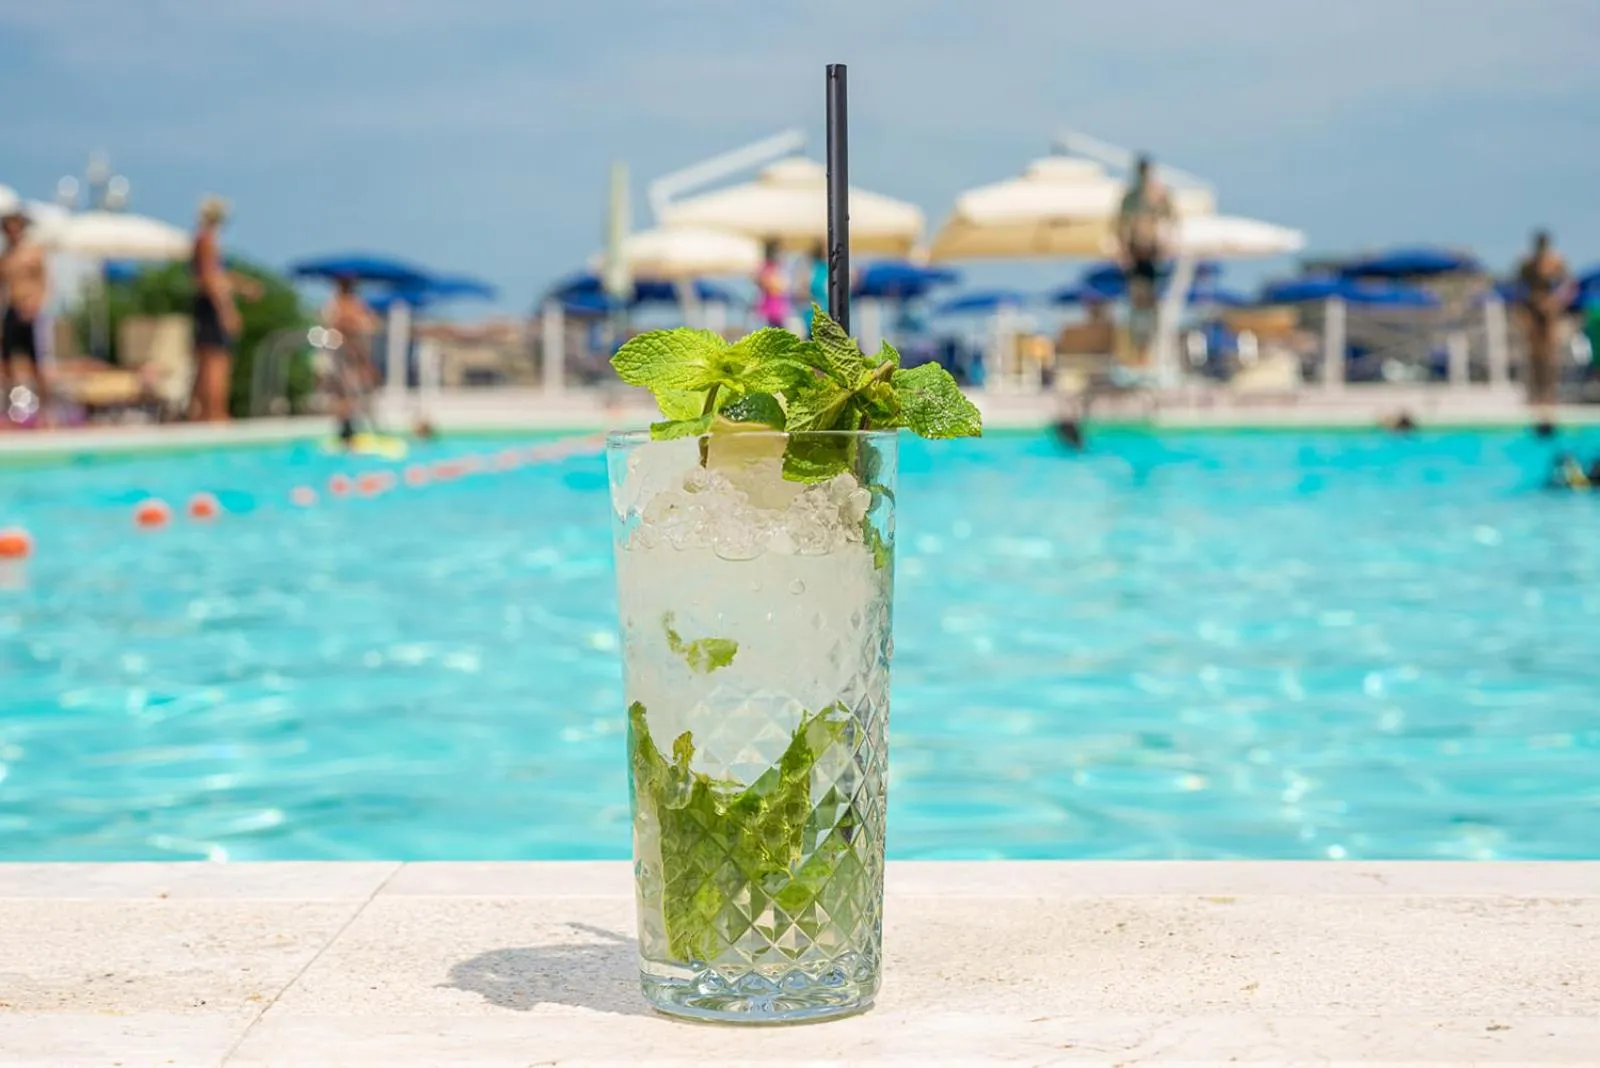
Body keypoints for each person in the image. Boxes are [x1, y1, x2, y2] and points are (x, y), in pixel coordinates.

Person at [188, 196, 261, 422]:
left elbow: (217, 276)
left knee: (207, 361)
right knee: (216, 362)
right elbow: (211, 281)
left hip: (206, 305)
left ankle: (204, 414)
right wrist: (227, 312)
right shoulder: (207, 240)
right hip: (210, 307)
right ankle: (215, 414)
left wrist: (243, 286)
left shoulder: (205, 240)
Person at [1116, 155, 1175, 365]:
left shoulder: (1156, 196)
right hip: (1139, 255)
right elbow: (1122, 226)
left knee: (1148, 303)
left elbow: (1170, 219)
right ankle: (1140, 353)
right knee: (1140, 302)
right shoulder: (1133, 198)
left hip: (1150, 255)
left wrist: (1164, 243)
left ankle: (1147, 352)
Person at [0, 209, 51, 421]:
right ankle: (8, 411)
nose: (12, 231)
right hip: (11, 310)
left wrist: (35, 304)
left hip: (32, 311)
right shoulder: (5, 257)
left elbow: (44, 282)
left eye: (15, 227)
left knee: (37, 363)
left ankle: (47, 411)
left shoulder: (33, 252)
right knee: (6, 361)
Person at [1515, 229, 1575, 408]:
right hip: (1532, 309)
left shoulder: (1556, 261)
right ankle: (1534, 393)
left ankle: (1549, 393)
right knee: (1534, 353)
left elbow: (1569, 285)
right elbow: (1517, 286)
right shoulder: (1527, 263)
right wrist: (1524, 307)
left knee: (1550, 354)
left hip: (1550, 311)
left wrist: (1555, 301)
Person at [320, 276, 380, 443]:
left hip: (353, 353)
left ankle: (355, 428)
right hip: (343, 353)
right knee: (343, 391)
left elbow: (369, 325)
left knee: (357, 390)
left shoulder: (354, 304)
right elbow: (339, 326)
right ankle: (347, 429)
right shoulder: (339, 305)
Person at [797, 241, 828, 337]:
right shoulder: (815, 268)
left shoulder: (820, 267)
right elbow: (802, 290)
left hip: (819, 313)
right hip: (815, 314)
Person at [755, 241, 788, 329]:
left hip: (778, 309)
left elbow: (780, 286)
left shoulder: (777, 266)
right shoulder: (767, 267)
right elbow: (768, 284)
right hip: (769, 309)